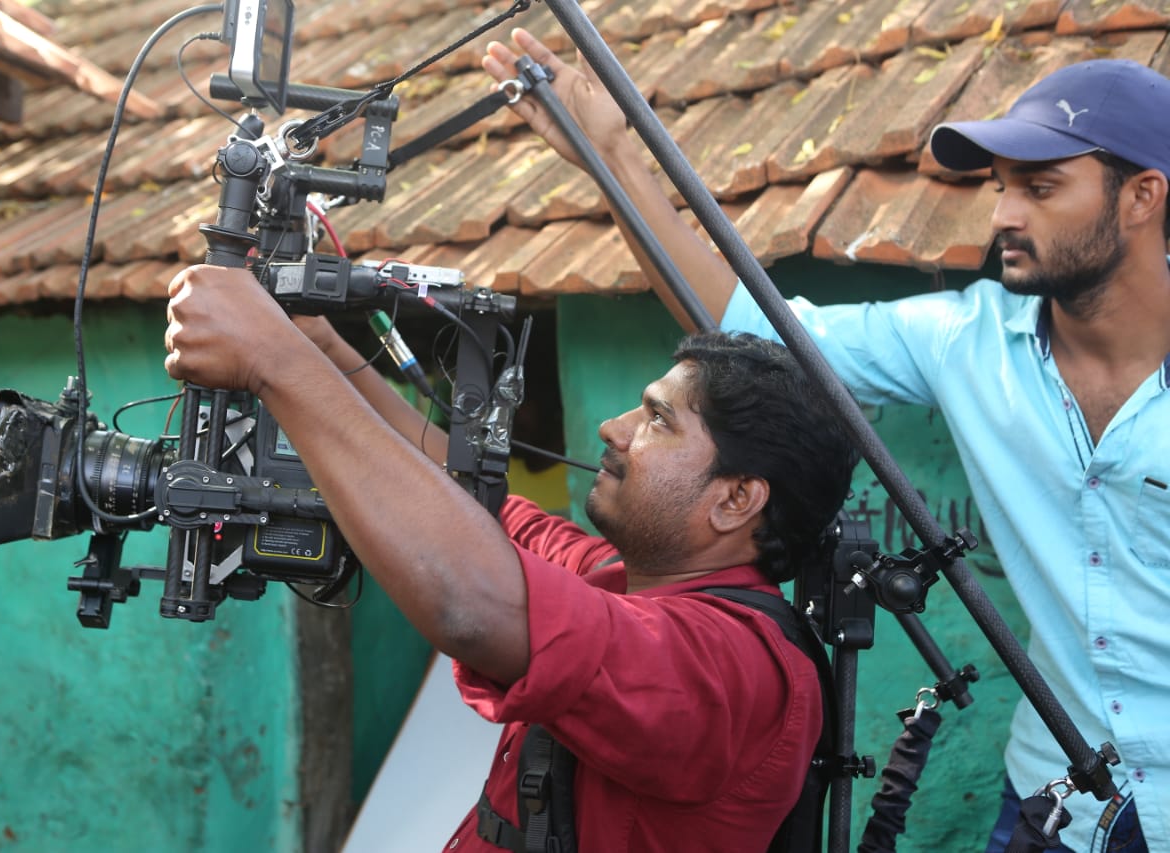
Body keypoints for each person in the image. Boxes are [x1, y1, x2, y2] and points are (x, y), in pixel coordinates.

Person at [482, 32, 1169, 853]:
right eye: (1002, 187)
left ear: (1143, 195)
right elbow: (755, 326)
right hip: (1054, 807)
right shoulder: (967, 342)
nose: (1003, 215)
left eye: (1041, 188)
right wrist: (612, 155)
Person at [163, 264, 860, 850]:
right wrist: (319, 350)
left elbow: (470, 604)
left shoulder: (735, 670)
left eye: (657, 419)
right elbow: (466, 499)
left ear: (736, 500)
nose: (612, 428)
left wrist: (275, 363)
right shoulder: (621, 582)